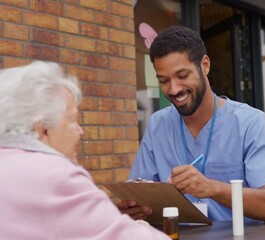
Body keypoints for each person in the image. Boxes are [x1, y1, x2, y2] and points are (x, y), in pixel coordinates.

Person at [129, 26, 265, 222]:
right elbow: (141, 194)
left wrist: (211, 188)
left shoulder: (250, 123)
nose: (174, 89)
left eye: (182, 75)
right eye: (164, 80)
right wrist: (133, 208)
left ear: (204, 65)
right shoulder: (157, 125)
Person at [0, 61, 169, 239]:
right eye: (72, 120)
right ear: (44, 129)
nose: (81, 131)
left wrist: (105, 216)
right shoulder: (56, 176)